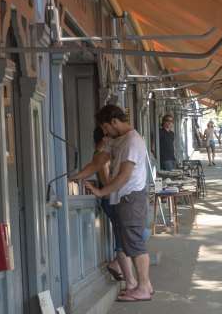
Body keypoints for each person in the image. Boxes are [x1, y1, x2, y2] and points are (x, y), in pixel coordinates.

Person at [71, 105, 152, 302]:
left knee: (135, 244)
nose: (104, 132)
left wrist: (101, 191)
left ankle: (142, 287)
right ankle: (143, 286)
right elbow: (98, 163)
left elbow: (124, 176)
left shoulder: (132, 141)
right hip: (123, 199)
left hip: (131, 198)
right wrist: (75, 176)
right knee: (129, 244)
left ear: (114, 122)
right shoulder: (116, 140)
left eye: (106, 127)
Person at [91, 127, 138, 288]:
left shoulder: (107, 154)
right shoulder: (102, 156)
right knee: (122, 240)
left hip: (115, 198)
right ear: (105, 138)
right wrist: (121, 178)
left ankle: (122, 270)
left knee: (129, 237)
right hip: (111, 199)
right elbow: (107, 182)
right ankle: (129, 280)